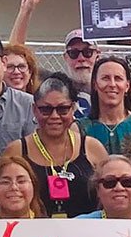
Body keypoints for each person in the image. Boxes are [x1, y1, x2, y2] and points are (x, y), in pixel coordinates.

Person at [8, 0, 131, 110]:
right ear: (65, 57)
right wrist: (26, 11)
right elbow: (15, 55)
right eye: (74, 53)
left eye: (88, 52)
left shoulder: (109, 88)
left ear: (97, 55)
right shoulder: (51, 84)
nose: (81, 58)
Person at [7, 74, 108, 219]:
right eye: (46, 109)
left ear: (73, 108)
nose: (54, 116)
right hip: (33, 231)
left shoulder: (92, 148)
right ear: (34, 109)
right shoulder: (16, 151)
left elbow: (109, 193)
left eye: (62, 109)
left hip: (86, 230)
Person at [82, 56, 131, 159]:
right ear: (95, 85)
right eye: (105, 78)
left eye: (118, 78)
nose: (112, 84)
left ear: (127, 86)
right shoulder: (80, 129)